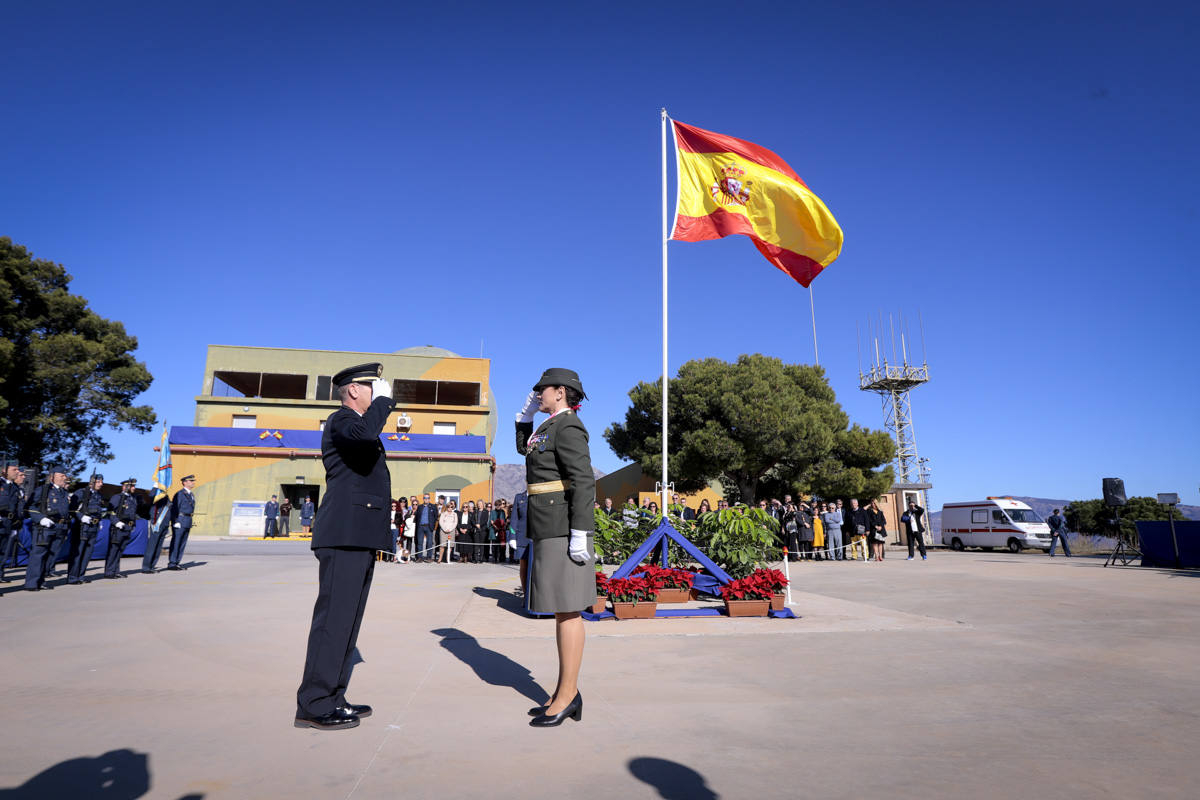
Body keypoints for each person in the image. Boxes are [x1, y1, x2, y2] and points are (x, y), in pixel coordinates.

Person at [295, 362, 395, 731]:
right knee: (333, 621)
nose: (380, 393)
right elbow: (366, 437)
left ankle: (333, 695)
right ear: (354, 390)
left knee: (347, 622)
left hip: (358, 535)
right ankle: (314, 703)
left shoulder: (357, 424)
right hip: (343, 534)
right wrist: (384, 405)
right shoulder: (341, 420)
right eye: (374, 387)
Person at [515, 368, 595, 727]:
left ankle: (568, 695)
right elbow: (526, 450)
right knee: (561, 611)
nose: (537, 395)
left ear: (560, 392)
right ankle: (564, 691)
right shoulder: (549, 426)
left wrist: (581, 531)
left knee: (569, 610)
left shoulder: (569, 427)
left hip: (563, 527)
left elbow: (582, 481)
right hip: (547, 524)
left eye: (541, 391)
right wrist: (525, 418)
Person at [25, 466, 72, 591]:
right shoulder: (43, 490)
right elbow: (30, 506)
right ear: (52, 477)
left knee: (50, 556)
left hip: (59, 527)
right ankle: (32, 583)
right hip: (45, 527)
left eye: (64, 475)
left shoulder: (64, 493)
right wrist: (40, 518)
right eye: (61, 476)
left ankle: (41, 580)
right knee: (38, 554)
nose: (64, 478)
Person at [69, 472, 108, 583]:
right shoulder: (81, 493)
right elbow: (72, 509)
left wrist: (99, 521)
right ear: (92, 482)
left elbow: (99, 510)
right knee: (78, 552)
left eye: (102, 481)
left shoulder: (98, 495)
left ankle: (81, 576)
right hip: (82, 526)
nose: (101, 484)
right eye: (98, 481)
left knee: (87, 553)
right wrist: (81, 517)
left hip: (93, 527)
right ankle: (72, 577)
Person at [0, 461, 28, 582]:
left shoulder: (14, 487)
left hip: (8, 523)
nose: (17, 472)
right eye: (14, 470)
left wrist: (16, 523)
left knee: (3, 553)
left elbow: (17, 507)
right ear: (4, 470)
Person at [105, 478, 138, 579]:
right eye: (132, 486)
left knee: (120, 550)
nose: (134, 488)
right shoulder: (117, 497)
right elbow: (110, 512)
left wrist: (133, 525)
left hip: (127, 527)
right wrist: (116, 522)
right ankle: (109, 572)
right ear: (125, 487)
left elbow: (133, 514)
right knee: (114, 550)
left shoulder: (132, 499)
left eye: (134, 486)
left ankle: (116, 570)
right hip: (118, 527)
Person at [167, 474, 197, 570]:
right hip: (180, 520)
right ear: (185, 483)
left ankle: (176, 562)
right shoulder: (180, 494)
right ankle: (172, 563)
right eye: (191, 481)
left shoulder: (191, 494)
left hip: (187, 520)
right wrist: (175, 521)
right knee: (176, 542)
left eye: (193, 481)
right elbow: (174, 508)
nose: (193, 482)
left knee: (182, 543)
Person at [412, 492, 438, 563]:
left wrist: (432, 525)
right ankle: (419, 557)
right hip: (420, 527)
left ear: (429, 499)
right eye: (425, 498)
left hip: (429, 527)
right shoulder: (420, 507)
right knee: (420, 543)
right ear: (423, 499)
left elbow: (436, 517)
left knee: (429, 543)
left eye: (428, 498)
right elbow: (417, 517)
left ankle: (429, 557)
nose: (426, 499)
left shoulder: (433, 506)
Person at [512, 490, 529, 590]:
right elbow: (514, 519)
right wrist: (512, 537)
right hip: (522, 537)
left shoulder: (539, 495)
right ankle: (525, 595)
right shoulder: (519, 497)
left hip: (537, 537)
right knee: (524, 568)